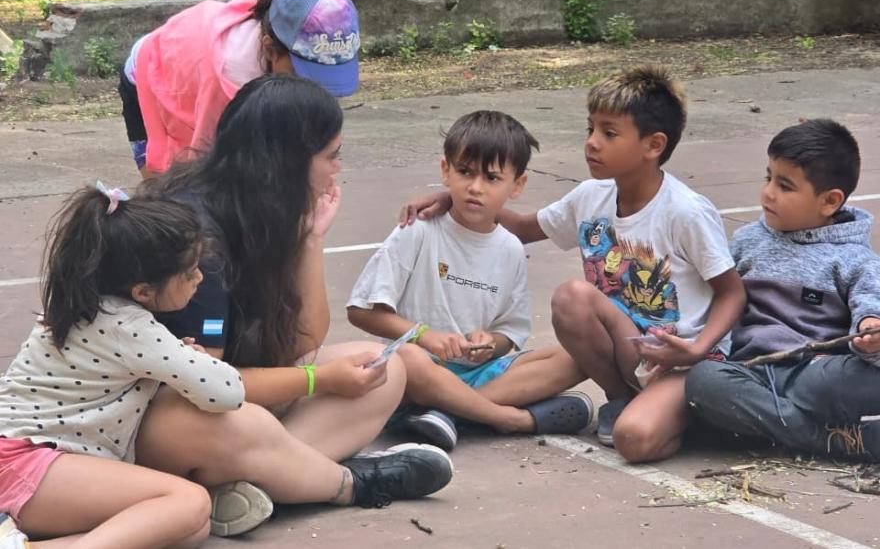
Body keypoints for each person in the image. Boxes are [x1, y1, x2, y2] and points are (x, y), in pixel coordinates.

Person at [134, 74, 453, 536]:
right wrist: (317, 379)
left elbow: (303, 341)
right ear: (286, 161)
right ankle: (325, 481)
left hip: (228, 403)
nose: (337, 168)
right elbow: (206, 384)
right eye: (331, 155)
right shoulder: (198, 246)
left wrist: (311, 240)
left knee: (384, 367)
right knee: (241, 424)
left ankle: (257, 485)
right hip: (163, 418)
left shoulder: (259, 210)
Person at [400, 65, 746, 463]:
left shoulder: (685, 212)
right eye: (590, 128)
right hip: (628, 350)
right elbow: (523, 228)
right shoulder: (591, 196)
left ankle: (682, 415)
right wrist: (455, 198)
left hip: (685, 363)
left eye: (609, 133)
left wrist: (696, 349)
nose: (592, 143)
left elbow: (732, 293)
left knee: (634, 440)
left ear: (653, 145)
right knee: (572, 299)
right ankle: (615, 399)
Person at [0, 184, 245, 548]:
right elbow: (226, 393)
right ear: (142, 291)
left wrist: (173, 356)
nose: (200, 278)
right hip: (23, 463)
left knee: (186, 529)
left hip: (24, 461)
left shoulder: (79, 306)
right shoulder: (129, 328)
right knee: (189, 502)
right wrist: (195, 359)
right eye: (190, 271)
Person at [347, 111, 591, 451]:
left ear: (517, 185)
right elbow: (361, 311)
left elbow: (509, 333)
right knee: (410, 358)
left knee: (579, 356)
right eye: (465, 172)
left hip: (477, 374)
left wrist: (490, 343)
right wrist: (424, 335)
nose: (475, 187)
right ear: (445, 170)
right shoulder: (418, 230)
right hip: (414, 379)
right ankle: (510, 418)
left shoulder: (510, 248)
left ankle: (448, 413)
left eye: (492, 178)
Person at [685, 119, 880, 460]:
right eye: (768, 177)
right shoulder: (747, 241)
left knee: (861, 380)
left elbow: (870, 306)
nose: (768, 193)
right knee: (703, 380)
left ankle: (769, 425)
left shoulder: (856, 259)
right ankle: (830, 439)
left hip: (814, 375)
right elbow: (714, 299)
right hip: (749, 372)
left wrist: (869, 332)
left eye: (785, 186)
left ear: (829, 201)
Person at [118, 0, 360, 176]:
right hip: (149, 73)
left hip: (195, 61)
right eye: (306, 76)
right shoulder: (231, 77)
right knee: (168, 199)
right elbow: (203, 167)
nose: (316, 91)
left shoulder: (282, 26)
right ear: (270, 49)